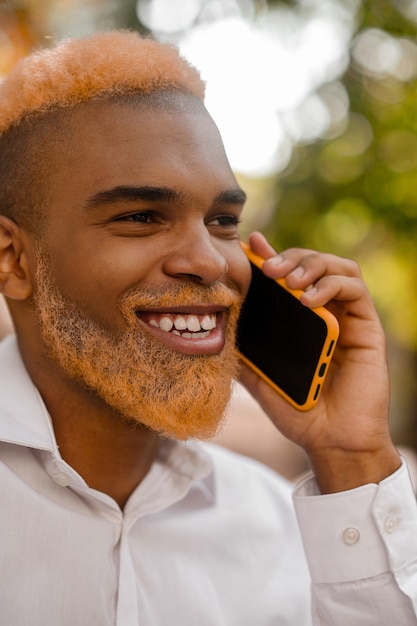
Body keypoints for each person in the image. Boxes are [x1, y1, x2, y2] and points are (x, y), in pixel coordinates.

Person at [0, 30, 416, 626]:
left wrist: (353, 458)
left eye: (223, 220)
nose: (213, 262)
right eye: (141, 217)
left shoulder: (289, 532)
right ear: (11, 259)